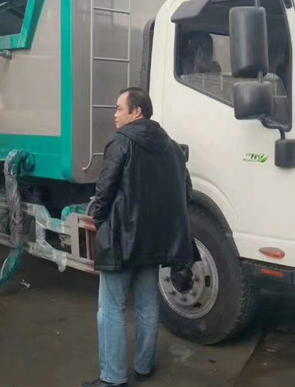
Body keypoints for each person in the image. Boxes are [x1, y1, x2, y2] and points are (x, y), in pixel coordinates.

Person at [82, 87, 198, 387]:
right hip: (155, 241)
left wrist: (100, 221)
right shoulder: (172, 147)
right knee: (147, 303)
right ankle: (144, 366)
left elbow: (104, 190)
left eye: (119, 108)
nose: (115, 115)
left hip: (121, 239)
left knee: (111, 308)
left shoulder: (121, 142)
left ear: (137, 111)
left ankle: (113, 377)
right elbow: (185, 192)